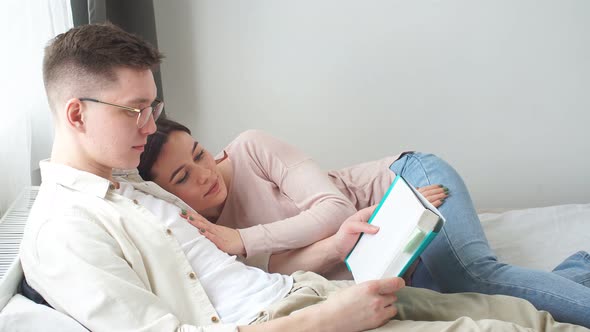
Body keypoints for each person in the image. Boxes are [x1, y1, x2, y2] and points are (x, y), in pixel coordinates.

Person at [19, 23, 587, 332]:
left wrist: (328, 265)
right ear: (77, 113)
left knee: (524, 316)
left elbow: (236, 269)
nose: (149, 125)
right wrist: (325, 320)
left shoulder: (136, 190)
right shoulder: (63, 231)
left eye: (153, 107)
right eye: (134, 110)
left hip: (315, 289)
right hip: (303, 317)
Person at [138, 117, 590, 328]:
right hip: (376, 253)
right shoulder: (205, 240)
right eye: (183, 177)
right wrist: (330, 246)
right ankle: (576, 269)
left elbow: (333, 208)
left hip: (407, 189)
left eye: (198, 153)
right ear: (166, 195)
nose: (205, 173)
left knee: (473, 275)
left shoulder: (250, 149)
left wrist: (243, 239)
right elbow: (286, 272)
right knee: (450, 304)